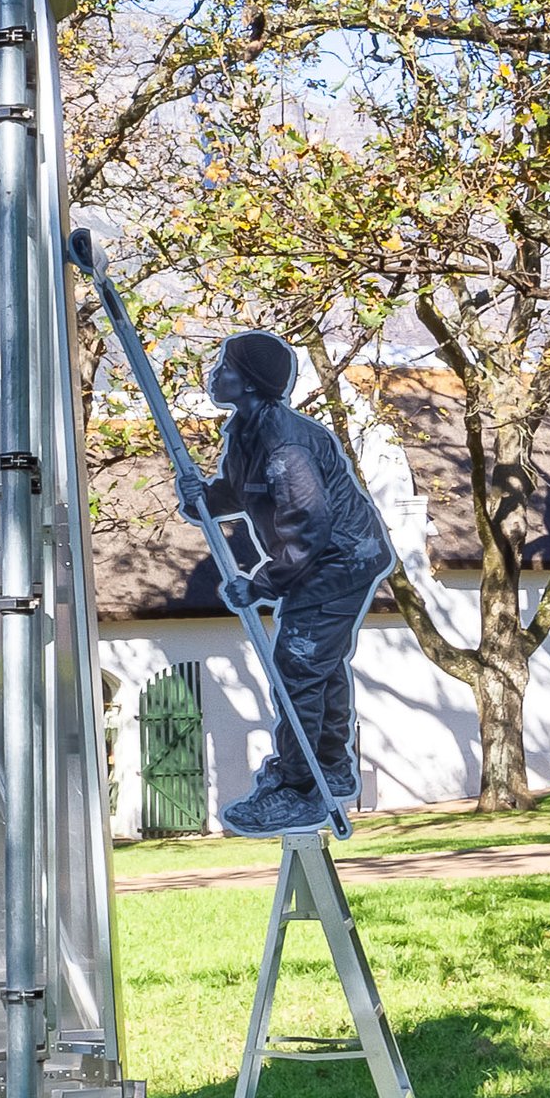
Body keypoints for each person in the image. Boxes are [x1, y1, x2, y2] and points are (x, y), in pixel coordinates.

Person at [185, 332, 393, 832]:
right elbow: (237, 491)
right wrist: (203, 500)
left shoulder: (287, 445)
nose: (215, 374)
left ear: (249, 383)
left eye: (225, 367)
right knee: (320, 665)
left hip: (339, 562)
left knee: (298, 667)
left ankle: (299, 788)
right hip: (322, 561)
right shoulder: (248, 431)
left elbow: (308, 529)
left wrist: (260, 584)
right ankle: (331, 768)